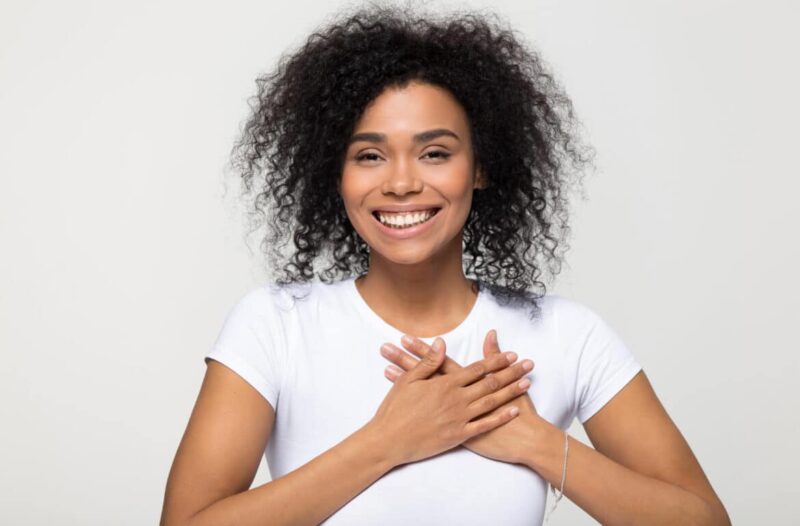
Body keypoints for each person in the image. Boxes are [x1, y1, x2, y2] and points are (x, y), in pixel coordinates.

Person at [160, 4, 730, 525]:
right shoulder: (275, 326)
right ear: (335, 175)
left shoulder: (566, 335)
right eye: (369, 155)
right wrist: (389, 440)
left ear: (480, 167)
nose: (403, 182)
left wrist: (534, 442)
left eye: (435, 152)